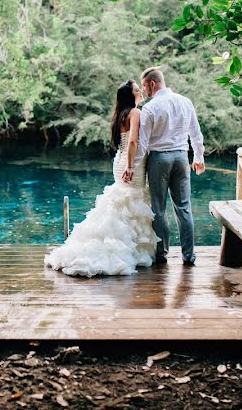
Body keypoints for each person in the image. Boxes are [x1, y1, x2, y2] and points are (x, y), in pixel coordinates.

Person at [44, 80, 160, 276]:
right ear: (130, 96)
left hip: (120, 160)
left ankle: (127, 246)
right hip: (131, 163)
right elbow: (132, 141)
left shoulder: (120, 115)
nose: (140, 93)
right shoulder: (135, 113)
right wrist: (131, 166)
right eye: (137, 91)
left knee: (124, 201)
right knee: (130, 200)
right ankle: (121, 249)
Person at [124, 66, 205, 266]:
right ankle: (189, 256)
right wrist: (199, 157)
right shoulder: (185, 102)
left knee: (158, 209)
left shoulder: (151, 108)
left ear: (152, 83)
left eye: (144, 86)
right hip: (181, 157)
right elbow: (196, 133)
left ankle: (162, 254)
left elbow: (142, 144)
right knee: (184, 208)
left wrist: (132, 166)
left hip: (159, 159)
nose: (144, 91)